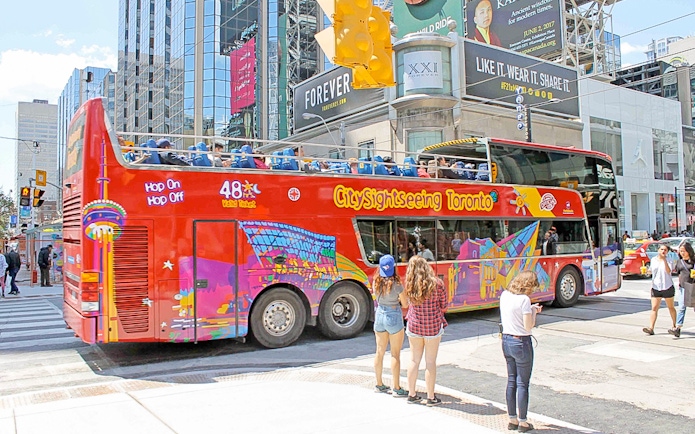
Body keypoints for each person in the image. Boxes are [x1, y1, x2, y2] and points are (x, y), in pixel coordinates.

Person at [500, 270, 542, 432]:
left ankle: (512, 419)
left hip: (506, 341)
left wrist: (529, 309)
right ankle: (523, 422)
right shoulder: (524, 300)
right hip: (521, 342)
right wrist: (533, 311)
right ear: (528, 286)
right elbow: (528, 326)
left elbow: (512, 313)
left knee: (511, 380)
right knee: (523, 383)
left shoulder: (505, 295)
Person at [404, 255, 448, 406]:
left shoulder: (409, 285)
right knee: (430, 362)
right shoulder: (438, 284)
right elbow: (444, 306)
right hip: (433, 327)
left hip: (414, 326)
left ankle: (412, 394)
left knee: (414, 360)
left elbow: (406, 304)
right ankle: (430, 397)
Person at [371, 255, 410, 397]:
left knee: (379, 352)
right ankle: (396, 387)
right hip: (393, 316)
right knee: (395, 354)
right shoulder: (397, 284)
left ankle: (379, 384)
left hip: (380, 315)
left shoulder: (376, 282)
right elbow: (405, 304)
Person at [643, 244, 678, 336]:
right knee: (654, 308)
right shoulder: (654, 260)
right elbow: (651, 270)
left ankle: (674, 326)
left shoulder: (669, 260)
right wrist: (646, 271)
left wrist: (664, 260)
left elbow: (669, 271)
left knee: (671, 307)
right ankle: (651, 328)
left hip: (667, 286)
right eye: (662, 249)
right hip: (656, 287)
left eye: (665, 250)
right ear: (658, 250)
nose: (663, 251)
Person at [672, 242, 695, 338]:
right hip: (683, 287)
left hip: (693, 286)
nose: (682, 253)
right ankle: (678, 328)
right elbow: (677, 272)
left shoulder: (693, 261)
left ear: (689, 251)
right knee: (681, 307)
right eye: (681, 251)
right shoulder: (679, 262)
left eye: (684, 251)